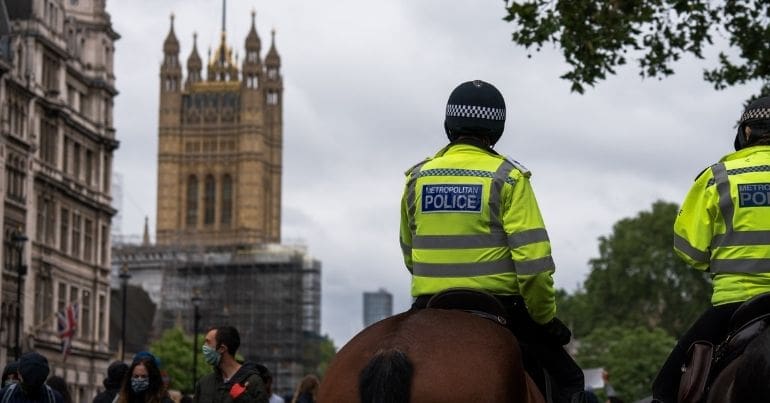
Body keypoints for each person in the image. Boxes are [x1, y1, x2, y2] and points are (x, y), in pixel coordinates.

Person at [400, 79, 585, 403]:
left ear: (449, 126)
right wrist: (544, 320)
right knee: (571, 380)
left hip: (427, 306)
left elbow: (409, 253)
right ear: (497, 130)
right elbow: (535, 268)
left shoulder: (419, 177)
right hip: (502, 308)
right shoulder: (508, 178)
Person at [652, 95, 770, 402]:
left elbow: (689, 250)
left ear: (746, 133)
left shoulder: (718, 177)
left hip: (735, 303)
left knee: (664, 388)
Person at [193, 326, 268, 403]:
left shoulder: (253, 382)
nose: (204, 347)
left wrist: (242, 398)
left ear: (222, 348)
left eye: (208, 342)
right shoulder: (204, 383)